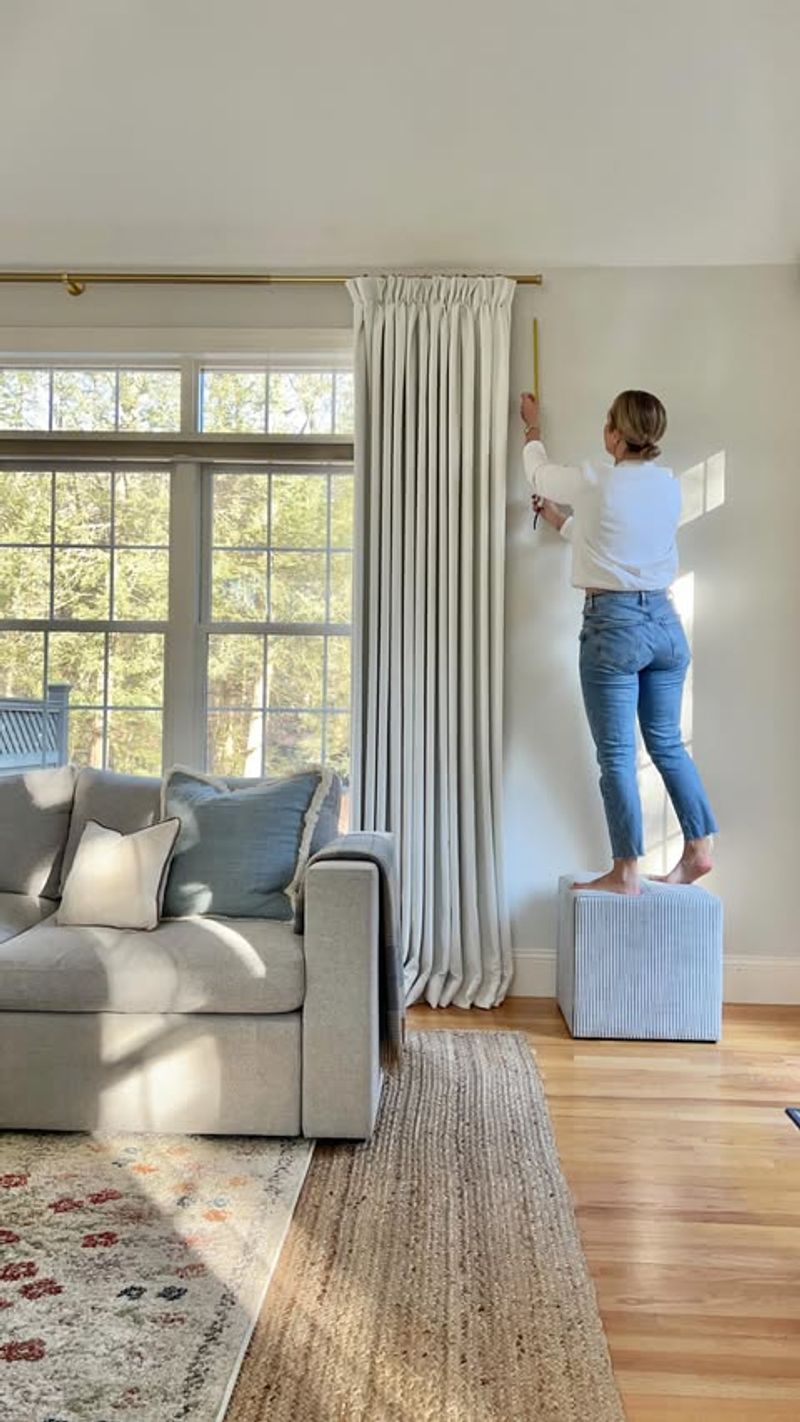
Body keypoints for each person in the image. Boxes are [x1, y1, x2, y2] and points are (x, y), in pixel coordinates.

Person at [520, 388, 718, 896]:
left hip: (615, 628)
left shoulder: (595, 477)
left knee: (616, 754)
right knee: (668, 744)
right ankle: (698, 849)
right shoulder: (667, 487)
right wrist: (561, 521)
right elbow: (609, 540)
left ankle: (625, 872)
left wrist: (533, 430)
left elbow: (540, 475)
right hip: (665, 626)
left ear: (614, 432)